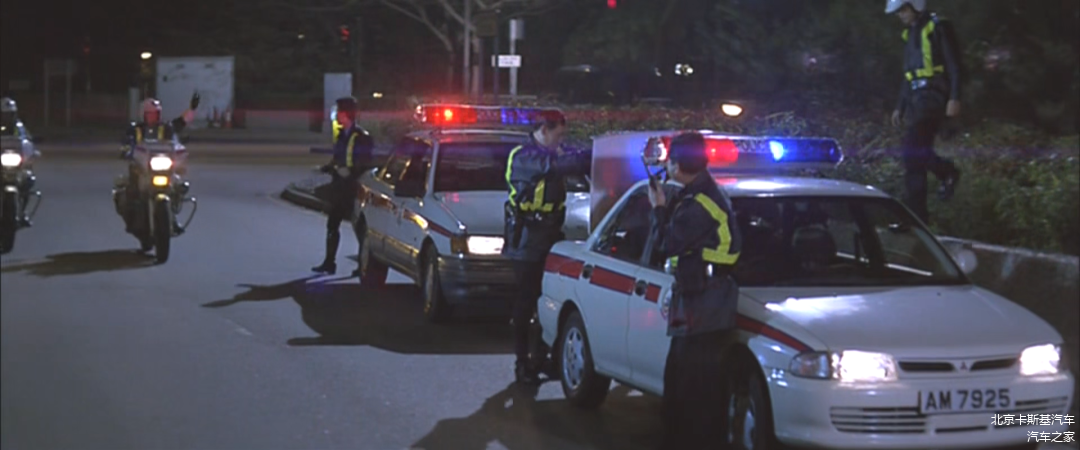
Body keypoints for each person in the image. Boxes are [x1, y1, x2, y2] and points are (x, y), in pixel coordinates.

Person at [647, 132, 742, 449]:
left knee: (693, 395)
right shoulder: (699, 196)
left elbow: (664, 243)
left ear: (677, 164)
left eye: (669, 161)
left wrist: (658, 207)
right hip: (700, 303)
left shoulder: (700, 204)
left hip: (704, 308)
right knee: (680, 386)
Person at [503, 110, 590, 385]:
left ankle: (541, 358)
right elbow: (553, 167)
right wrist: (584, 157)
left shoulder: (554, 153)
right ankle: (522, 362)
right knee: (526, 301)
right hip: (526, 238)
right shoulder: (523, 156)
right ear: (544, 129)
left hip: (550, 235)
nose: (560, 140)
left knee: (550, 298)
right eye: (558, 134)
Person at [887, 0, 963, 225]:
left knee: (912, 151)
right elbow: (908, 76)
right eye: (898, 11)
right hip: (916, 100)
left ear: (915, 6)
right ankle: (917, 217)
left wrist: (955, 97)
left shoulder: (937, 26)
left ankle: (946, 175)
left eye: (903, 9)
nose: (900, 15)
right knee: (916, 157)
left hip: (934, 96)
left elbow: (954, 65)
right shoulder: (909, 34)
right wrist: (899, 107)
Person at [311, 96, 375, 276]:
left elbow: (365, 162)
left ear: (346, 114)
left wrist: (351, 172)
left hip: (354, 189)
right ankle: (329, 262)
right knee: (333, 224)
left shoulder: (362, 137)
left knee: (360, 228)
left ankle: (363, 266)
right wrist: (328, 168)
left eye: (338, 111)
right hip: (340, 188)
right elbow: (338, 159)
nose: (336, 115)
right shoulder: (341, 135)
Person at [119, 94, 199, 234]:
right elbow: (127, 142)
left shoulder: (166, 127)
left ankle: (172, 219)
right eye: (150, 114)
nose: (153, 117)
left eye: (156, 114)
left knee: (176, 185)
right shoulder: (135, 129)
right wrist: (126, 150)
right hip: (141, 166)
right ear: (143, 115)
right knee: (131, 188)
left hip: (161, 165)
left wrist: (192, 109)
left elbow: (180, 124)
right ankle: (132, 218)